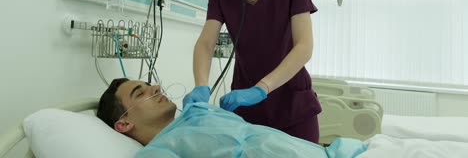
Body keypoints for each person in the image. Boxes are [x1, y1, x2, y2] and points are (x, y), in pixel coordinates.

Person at [183, 0, 321, 143]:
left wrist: (262, 88)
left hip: (292, 102)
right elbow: (206, 44)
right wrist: (201, 85)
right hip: (245, 105)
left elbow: (304, 46)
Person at [97, 78, 367, 158]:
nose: (154, 87)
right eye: (139, 92)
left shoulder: (198, 111)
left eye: (148, 83)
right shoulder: (158, 151)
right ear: (123, 123)